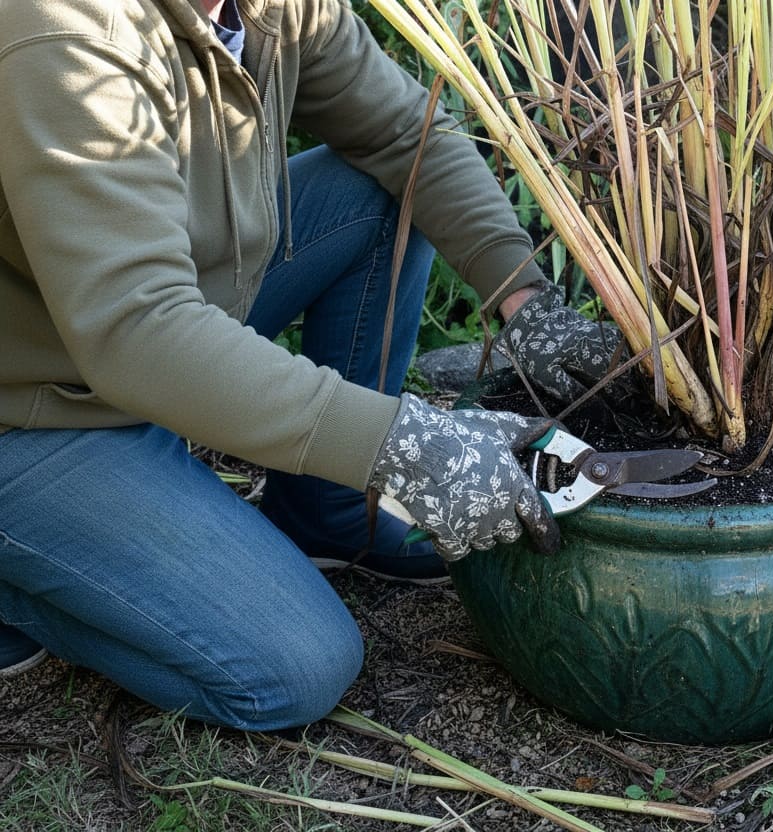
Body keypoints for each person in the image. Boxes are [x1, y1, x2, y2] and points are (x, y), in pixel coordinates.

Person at [0, 0, 622, 730]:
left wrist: (527, 300)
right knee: (292, 670)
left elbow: (404, 135)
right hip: (35, 404)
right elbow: (138, 328)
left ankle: (328, 517)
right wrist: (403, 444)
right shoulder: (64, 31)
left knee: (384, 189)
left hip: (148, 334)